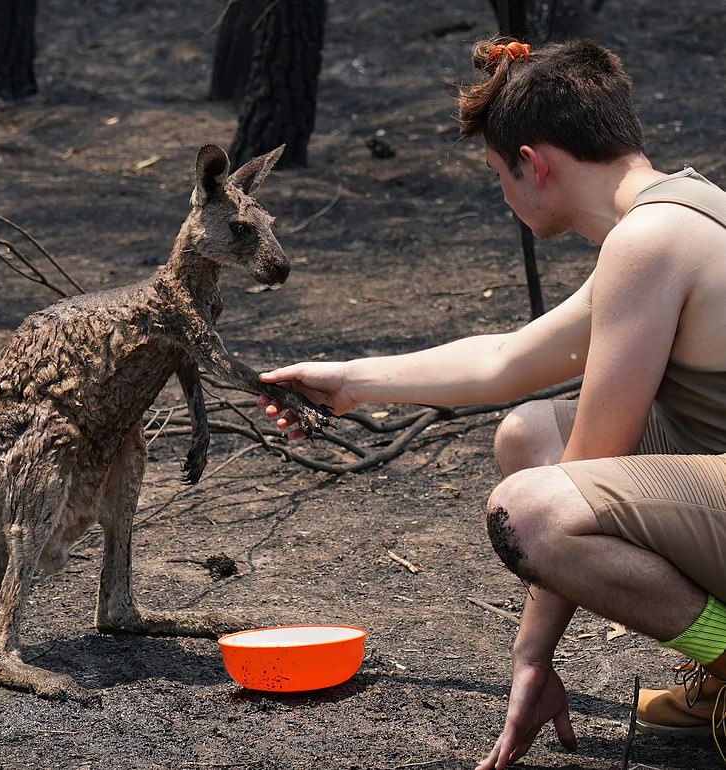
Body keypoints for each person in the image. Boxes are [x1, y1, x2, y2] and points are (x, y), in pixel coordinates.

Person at [256, 37, 726, 768]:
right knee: (528, 435)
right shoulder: (679, 210)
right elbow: (507, 359)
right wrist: (348, 380)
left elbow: (589, 467)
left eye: (498, 176)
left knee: (531, 510)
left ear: (534, 163)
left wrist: (529, 654)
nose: (503, 195)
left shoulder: (651, 242)